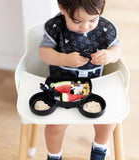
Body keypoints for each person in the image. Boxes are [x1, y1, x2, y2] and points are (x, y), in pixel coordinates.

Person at [39, 0, 121, 160]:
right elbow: (44, 53)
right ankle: (54, 156)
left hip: (94, 84)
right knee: (55, 126)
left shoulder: (105, 29)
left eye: (92, 20)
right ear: (62, 8)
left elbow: (117, 50)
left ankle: (100, 148)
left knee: (108, 121)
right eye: (76, 21)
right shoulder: (56, 28)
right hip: (62, 84)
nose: (85, 27)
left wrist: (110, 55)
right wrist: (63, 59)